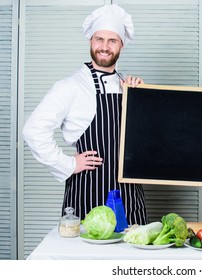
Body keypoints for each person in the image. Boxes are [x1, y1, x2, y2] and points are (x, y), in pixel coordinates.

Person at [22, 4, 148, 225]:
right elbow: (33, 130)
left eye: (112, 41)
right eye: (99, 39)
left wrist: (143, 98)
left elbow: (150, 140)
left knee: (130, 255)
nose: (105, 47)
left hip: (130, 196)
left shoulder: (126, 85)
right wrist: (68, 164)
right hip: (88, 193)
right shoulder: (71, 86)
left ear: (122, 45)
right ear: (90, 40)